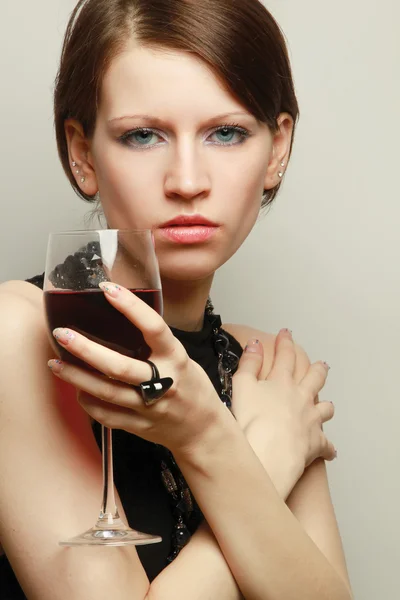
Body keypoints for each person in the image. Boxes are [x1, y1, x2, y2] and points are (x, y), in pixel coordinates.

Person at [0, 0, 354, 598]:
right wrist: (246, 452)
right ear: (83, 155)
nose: (187, 180)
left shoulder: (265, 367)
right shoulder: (22, 335)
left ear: (276, 150)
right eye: (143, 135)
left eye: (226, 133)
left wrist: (220, 441)